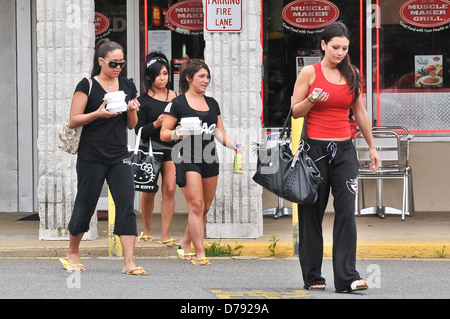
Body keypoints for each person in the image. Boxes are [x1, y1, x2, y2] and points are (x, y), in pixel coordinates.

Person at [291, 22, 380, 292]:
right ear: (323, 45)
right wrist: (312, 100)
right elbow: (295, 111)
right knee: (311, 215)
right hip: (314, 151)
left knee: (346, 213)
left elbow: (360, 112)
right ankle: (313, 277)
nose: (340, 52)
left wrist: (372, 147)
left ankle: (347, 278)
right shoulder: (309, 72)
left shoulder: (352, 73)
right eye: (335, 47)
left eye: (344, 48)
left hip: (344, 151)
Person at [59, 39, 147, 275]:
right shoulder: (87, 85)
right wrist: (97, 113)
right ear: (101, 62)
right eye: (113, 63)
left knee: (127, 205)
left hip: (119, 155)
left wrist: (132, 111)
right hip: (91, 155)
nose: (118, 67)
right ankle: (73, 252)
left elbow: (131, 125)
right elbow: (74, 119)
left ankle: (129, 262)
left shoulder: (127, 85)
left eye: (122, 62)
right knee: (86, 204)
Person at [160, 57, 240, 266]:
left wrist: (234, 145)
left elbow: (219, 132)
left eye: (208, 76)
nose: (206, 80)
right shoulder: (177, 103)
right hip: (186, 157)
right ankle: (200, 253)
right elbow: (163, 133)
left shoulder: (212, 103)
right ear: (189, 78)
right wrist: (177, 133)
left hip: (210, 158)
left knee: (204, 208)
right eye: (201, 76)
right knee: (196, 206)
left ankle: (186, 243)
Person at [135, 52, 178, 246]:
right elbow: (139, 131)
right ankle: (147, 230)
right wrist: (156, 123)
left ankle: (165, 234)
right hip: (151, 149)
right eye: (159, 74)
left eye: (166, 73)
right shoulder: (142, 101)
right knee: (149, 191)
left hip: (172, 148)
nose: (163, 78)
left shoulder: (176, 98)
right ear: (150, 77)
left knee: (170, 189)